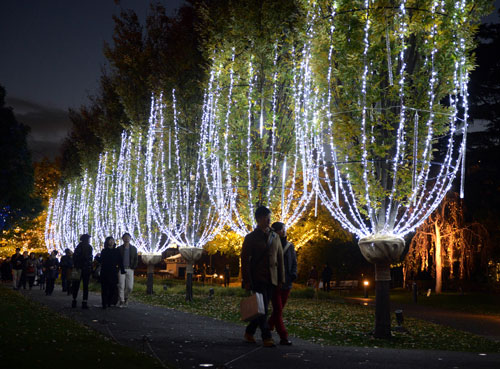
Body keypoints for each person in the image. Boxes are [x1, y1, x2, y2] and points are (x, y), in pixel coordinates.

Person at [241, 206, 284, 348]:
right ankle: (267, 336)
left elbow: (280, 258)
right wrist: (246, 280)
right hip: (257, 278)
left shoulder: (275, 236)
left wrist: (281, 279)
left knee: (262, 308)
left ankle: (249, 332)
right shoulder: (251, 238)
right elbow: (245, 260)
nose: (269, 219)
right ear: (259, 219)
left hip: (271, 278)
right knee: (263, 308)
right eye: (266, 217)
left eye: (269, 216)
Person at [268, 222, 297, 346]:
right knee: (278, 309)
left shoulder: (290, 246)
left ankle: (268, 326)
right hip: (275, 282)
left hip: (287, 283)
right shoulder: (271, 243)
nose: (285, 231)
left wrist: (293, 274)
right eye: (283, 229)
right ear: (278, 231)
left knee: (278, 310)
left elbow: (294, 261)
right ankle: (283, 336)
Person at [100, 236, 124, 309]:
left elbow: (120, 261)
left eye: (112, 240)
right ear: (107, 242)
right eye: (110, 240)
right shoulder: (104, 251)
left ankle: (109, 301)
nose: (111, 242)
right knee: (104, 288)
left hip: (113, 271)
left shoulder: (116, 251)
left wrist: (122, 269)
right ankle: (104, 303)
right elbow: (101, 260)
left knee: (112, 287)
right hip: (105, 271)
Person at [72, 234, 93, 309]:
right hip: (81, 268)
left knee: (79, 285)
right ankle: (82, 301)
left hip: (82, 268)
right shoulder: (81, 247)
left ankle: (77, 300)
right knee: (81, 285)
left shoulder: (81, 247)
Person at [117, 232, 138, 307]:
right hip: (121, 269)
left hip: (130, 269)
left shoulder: (133, 248)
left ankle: (126, 298)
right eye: (125, 237)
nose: (126, 238)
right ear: (122, 239)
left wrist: (133, 267)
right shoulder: (119, 249)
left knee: (129, 287)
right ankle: (121, 301)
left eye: (128, 237)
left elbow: (136, 259)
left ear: (130, 238)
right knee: (121, 285)